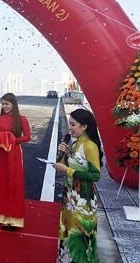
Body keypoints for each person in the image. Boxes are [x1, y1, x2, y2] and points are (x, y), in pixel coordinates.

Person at [54, 109, 103, 262]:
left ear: (84, 126)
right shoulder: (74, 144)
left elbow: (96, 175)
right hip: (70, 197)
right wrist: (62, 153)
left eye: (73, 124)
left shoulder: (89, 146)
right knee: (68, 231)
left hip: (83, 201)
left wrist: (68, 170)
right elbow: (62, 165)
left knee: (80, 236)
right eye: (69, 124)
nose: (70, 128)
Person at [0, 93, 30, 230]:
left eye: (7, 104)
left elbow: (28, 137)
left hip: (15, 154)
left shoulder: (22, 119)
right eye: (2, 104)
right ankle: (3, 219)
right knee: (1, 184)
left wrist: (13, 140)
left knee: (14, 183)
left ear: (13, 104)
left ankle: (14, 219)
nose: (4, 106)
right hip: (1, 154)